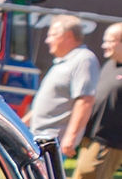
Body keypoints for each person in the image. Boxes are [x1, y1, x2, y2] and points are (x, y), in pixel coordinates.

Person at [26, 14, 98, 162]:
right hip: (38, 136)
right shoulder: (62, 61)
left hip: (52, 141)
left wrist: (70, 137)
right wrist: (21, 123)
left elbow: (85, 101)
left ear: (68, 36)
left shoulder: (83, 59)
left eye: (52, 35)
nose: (47, 40)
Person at [71, 22, 122, 179]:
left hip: (109, 140)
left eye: (110, 41)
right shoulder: (111, 65)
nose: (104, 45)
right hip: (93, 135)